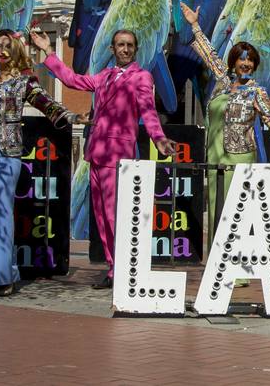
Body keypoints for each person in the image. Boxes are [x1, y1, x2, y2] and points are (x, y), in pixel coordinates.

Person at [29, 28, 175, 290]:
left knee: (113, 216)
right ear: (112, 49)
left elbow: (148, 111)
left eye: (130, 45)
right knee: (101, 216)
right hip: (96, 153)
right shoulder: (104, 77)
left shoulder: (142, 77)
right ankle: (112, 267)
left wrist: (159, 138)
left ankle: (120, 269)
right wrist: (48, 52)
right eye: (121, 44)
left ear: (136, 49)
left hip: (118, 156)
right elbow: (72, 80)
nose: (126, 49)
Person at [0, 29, 76, 297]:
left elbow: (48, 104)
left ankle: (1, 279)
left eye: (8, 45)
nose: (2, 50)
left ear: (16, 50)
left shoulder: (23, 83)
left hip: (4, 156)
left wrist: (72, 117)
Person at [181, 4, 270, 229]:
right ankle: (218, 258)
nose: (245, 63)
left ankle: (236, 258)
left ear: (254, 65)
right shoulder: (224, 82)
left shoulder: (256, 91)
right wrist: (195, 25)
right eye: (241, 59)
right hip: (215, 156)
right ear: (234, 62)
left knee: (236, 213)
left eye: (250, 60)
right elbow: (209, 55)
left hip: (240, 160)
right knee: (217, 209)